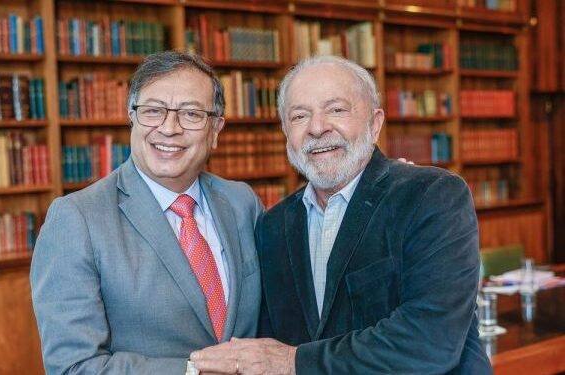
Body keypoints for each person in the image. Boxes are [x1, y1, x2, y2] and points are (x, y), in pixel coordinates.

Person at [191, 55, 493, 374]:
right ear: (286, 133)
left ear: (375, 124)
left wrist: (293, 361)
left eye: (336, 109)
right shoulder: (273, 227)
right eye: (299, 116)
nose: (317, 128)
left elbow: (430, 341)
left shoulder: (430, 196)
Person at [30, 51, 263, 374]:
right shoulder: (76, 219)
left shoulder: (243, 203)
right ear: (131, 117)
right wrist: (192, 371)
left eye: (191, 114)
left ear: (216, 129)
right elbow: (73, 366)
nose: (169, 128)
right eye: (153, 111)